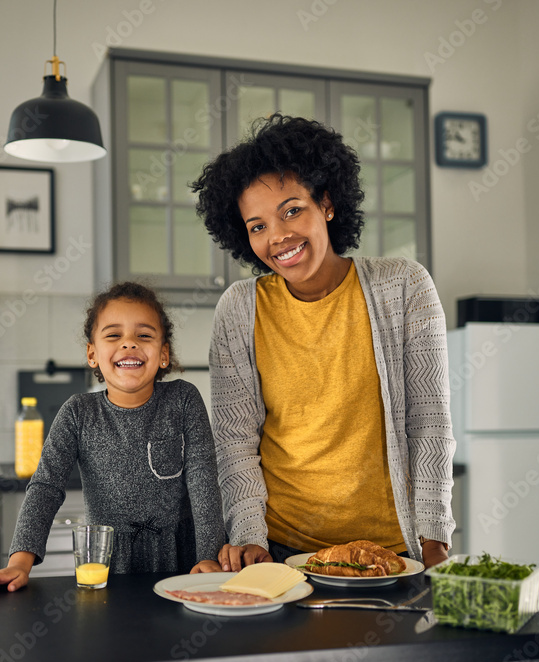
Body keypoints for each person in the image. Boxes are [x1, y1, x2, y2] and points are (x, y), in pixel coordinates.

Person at [192, 114, 456, 573]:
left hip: (391, 555)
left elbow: (429, 424)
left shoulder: (405, 287)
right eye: (257, 226)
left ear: (328, 204)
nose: (278, 237)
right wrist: (248, 537)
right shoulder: (239, 309)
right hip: (282, 557)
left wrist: (434, 546)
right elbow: (235, 441)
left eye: (292, 210)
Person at [0, 282, 225, 607]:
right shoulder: (77, 413)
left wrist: (209, 559)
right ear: (93, 354)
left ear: (164, 354)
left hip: (183, 566)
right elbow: (45, 487)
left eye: (144, 335)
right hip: (106, 571)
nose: (129, 344)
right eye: (114, 335)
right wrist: (18, 564)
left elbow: (204, 482)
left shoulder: (184, 400)